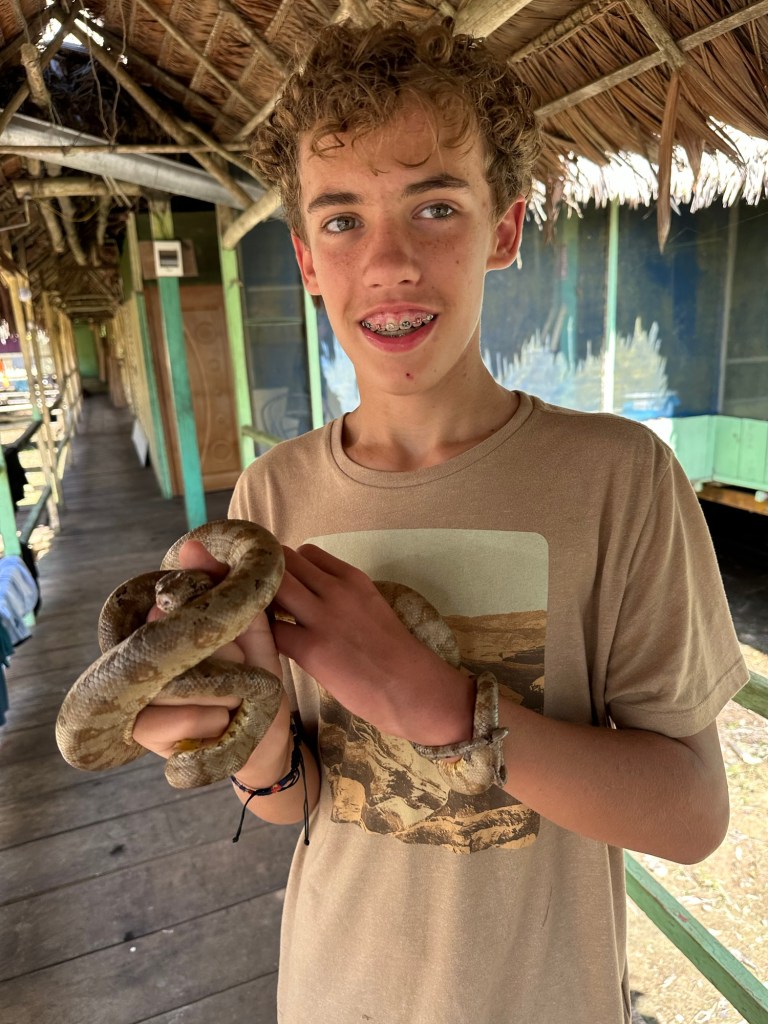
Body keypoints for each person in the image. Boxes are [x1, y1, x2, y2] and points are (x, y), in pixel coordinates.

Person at [134, 19, 749, 1023]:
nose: (389, 261)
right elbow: (293, 800)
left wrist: (447, 709)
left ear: (503, 230)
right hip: (333, 991)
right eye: (341, 221)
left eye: (434, 207)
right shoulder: (271, 501)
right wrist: (231, 732)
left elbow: (690, 815)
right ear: (305, 259)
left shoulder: (617, 477)